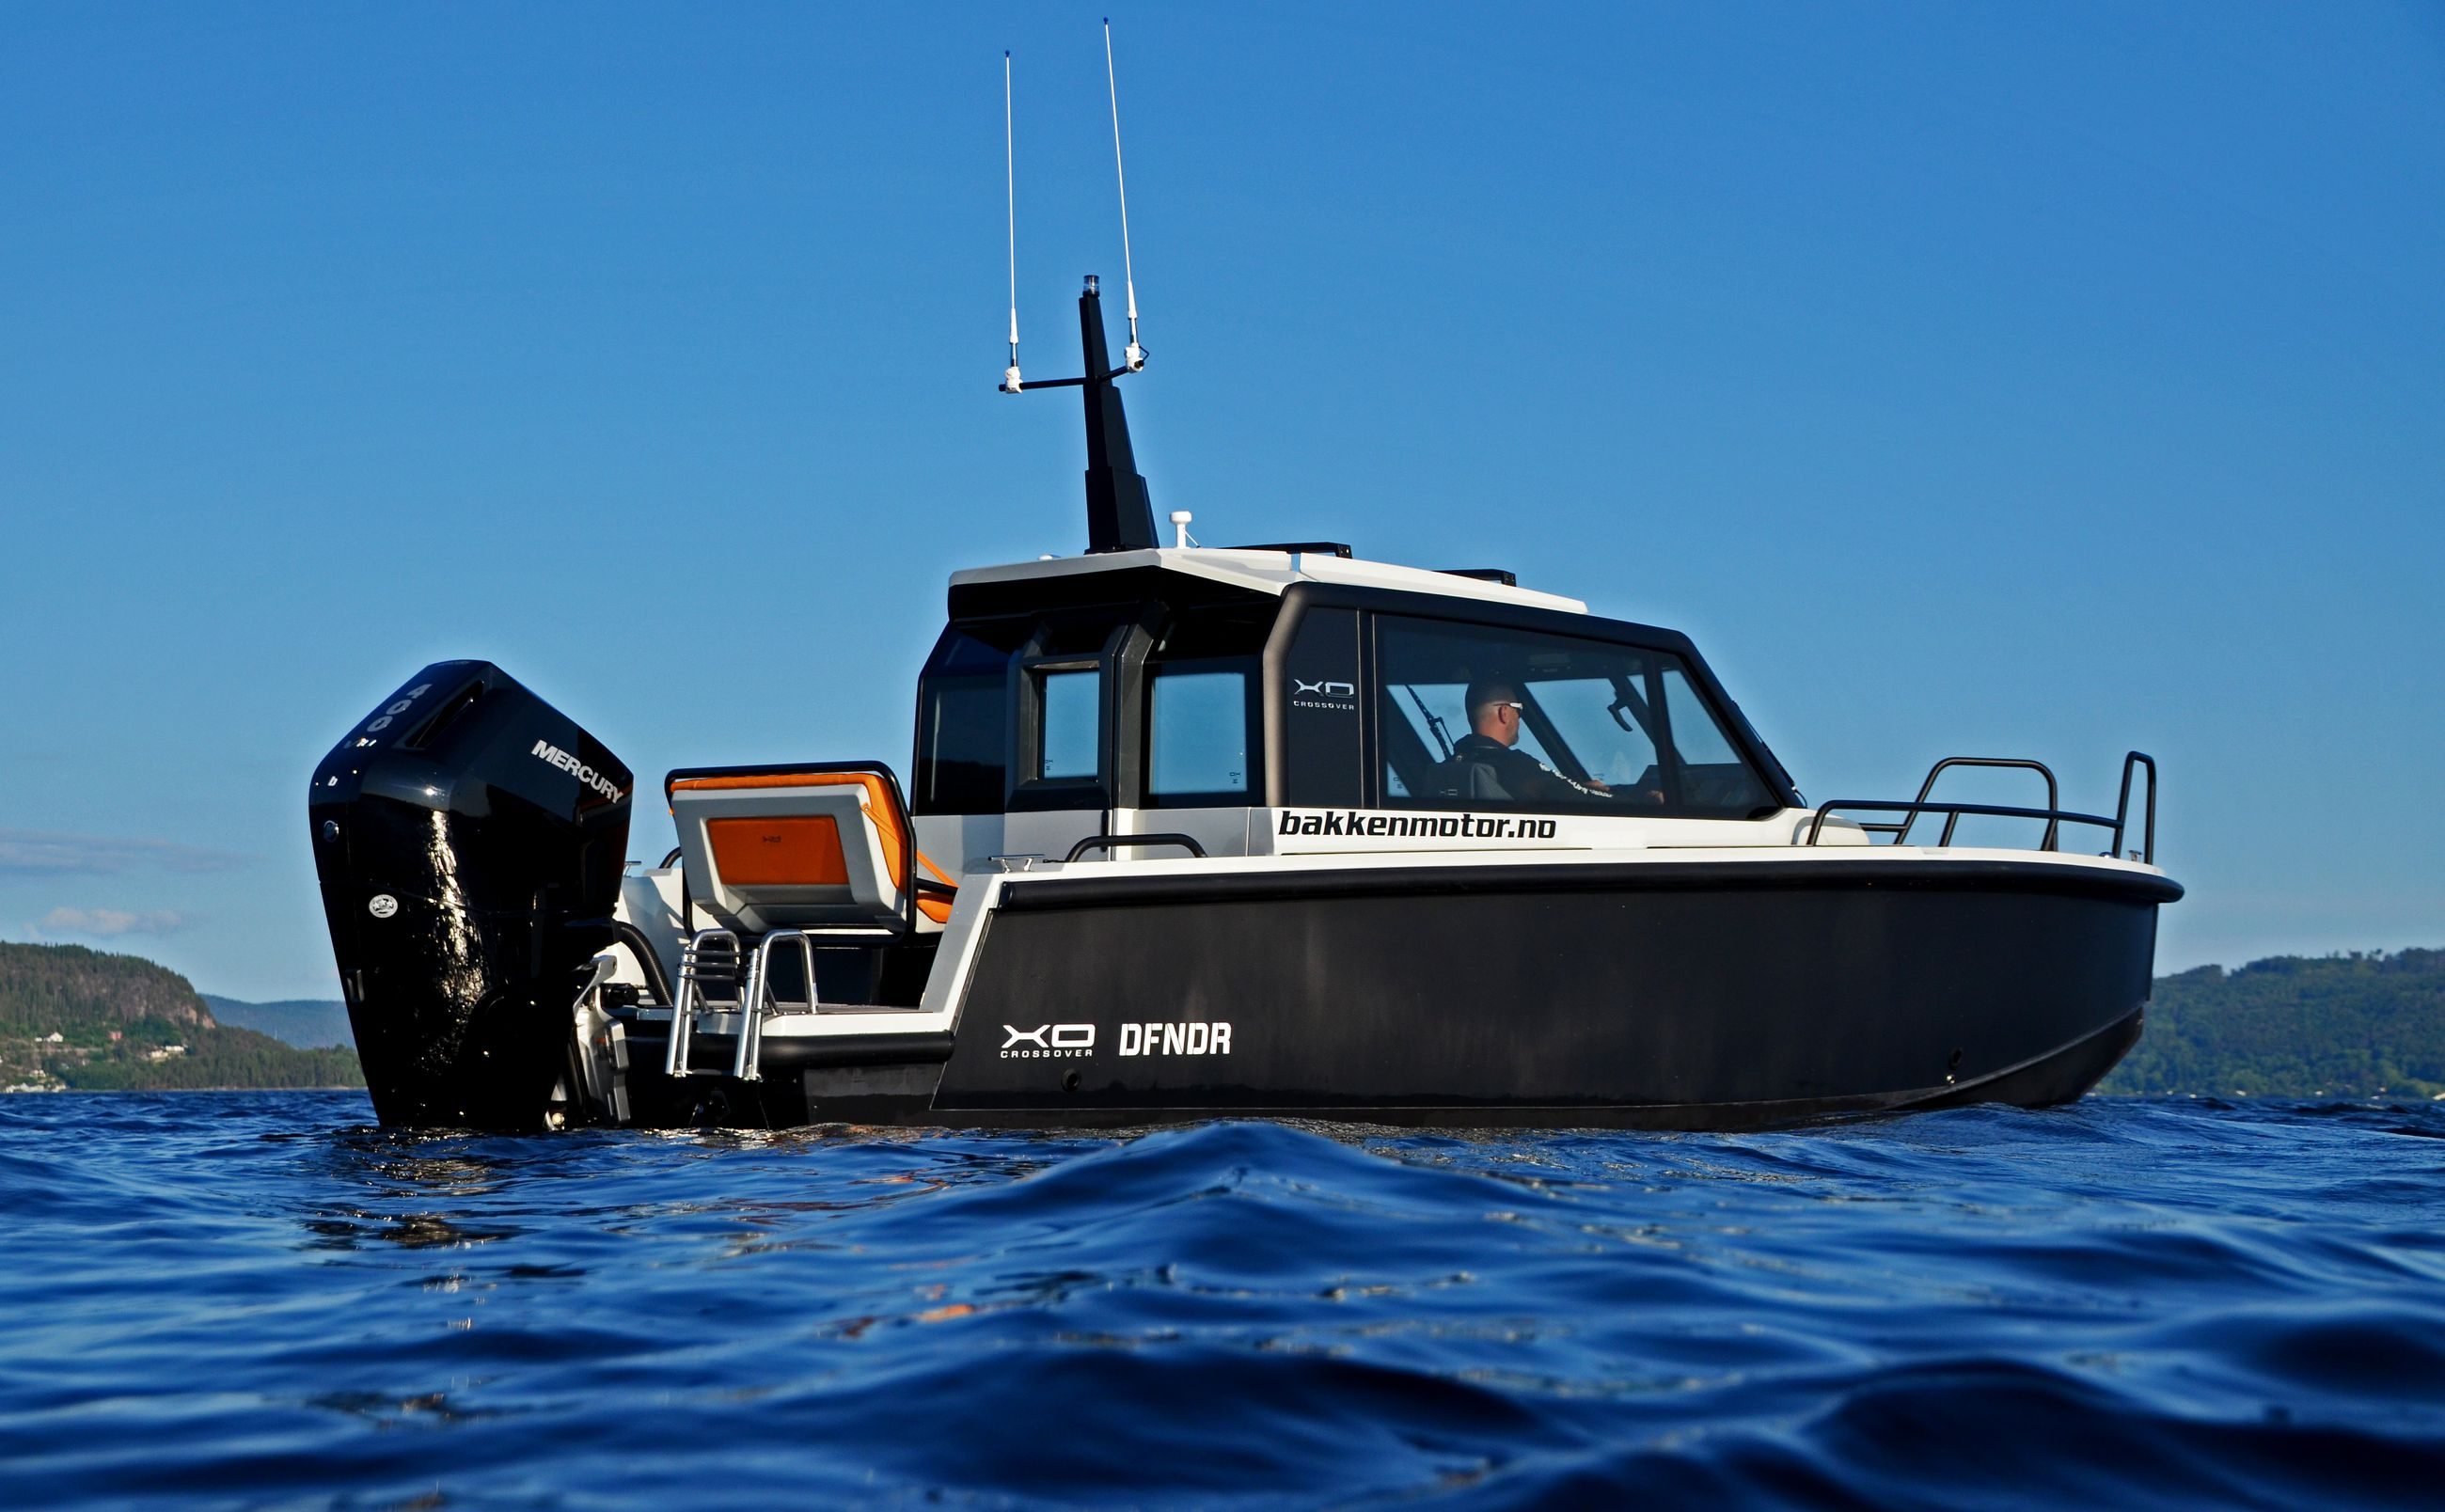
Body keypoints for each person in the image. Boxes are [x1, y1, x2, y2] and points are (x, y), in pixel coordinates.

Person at [1434, 679, 1615, 803]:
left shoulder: (1447, 768)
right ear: (1504, 713)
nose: (1519, 717)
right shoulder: (1515, 765)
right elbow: (1584, 800)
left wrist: (1576, 788)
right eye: (1518, 709)